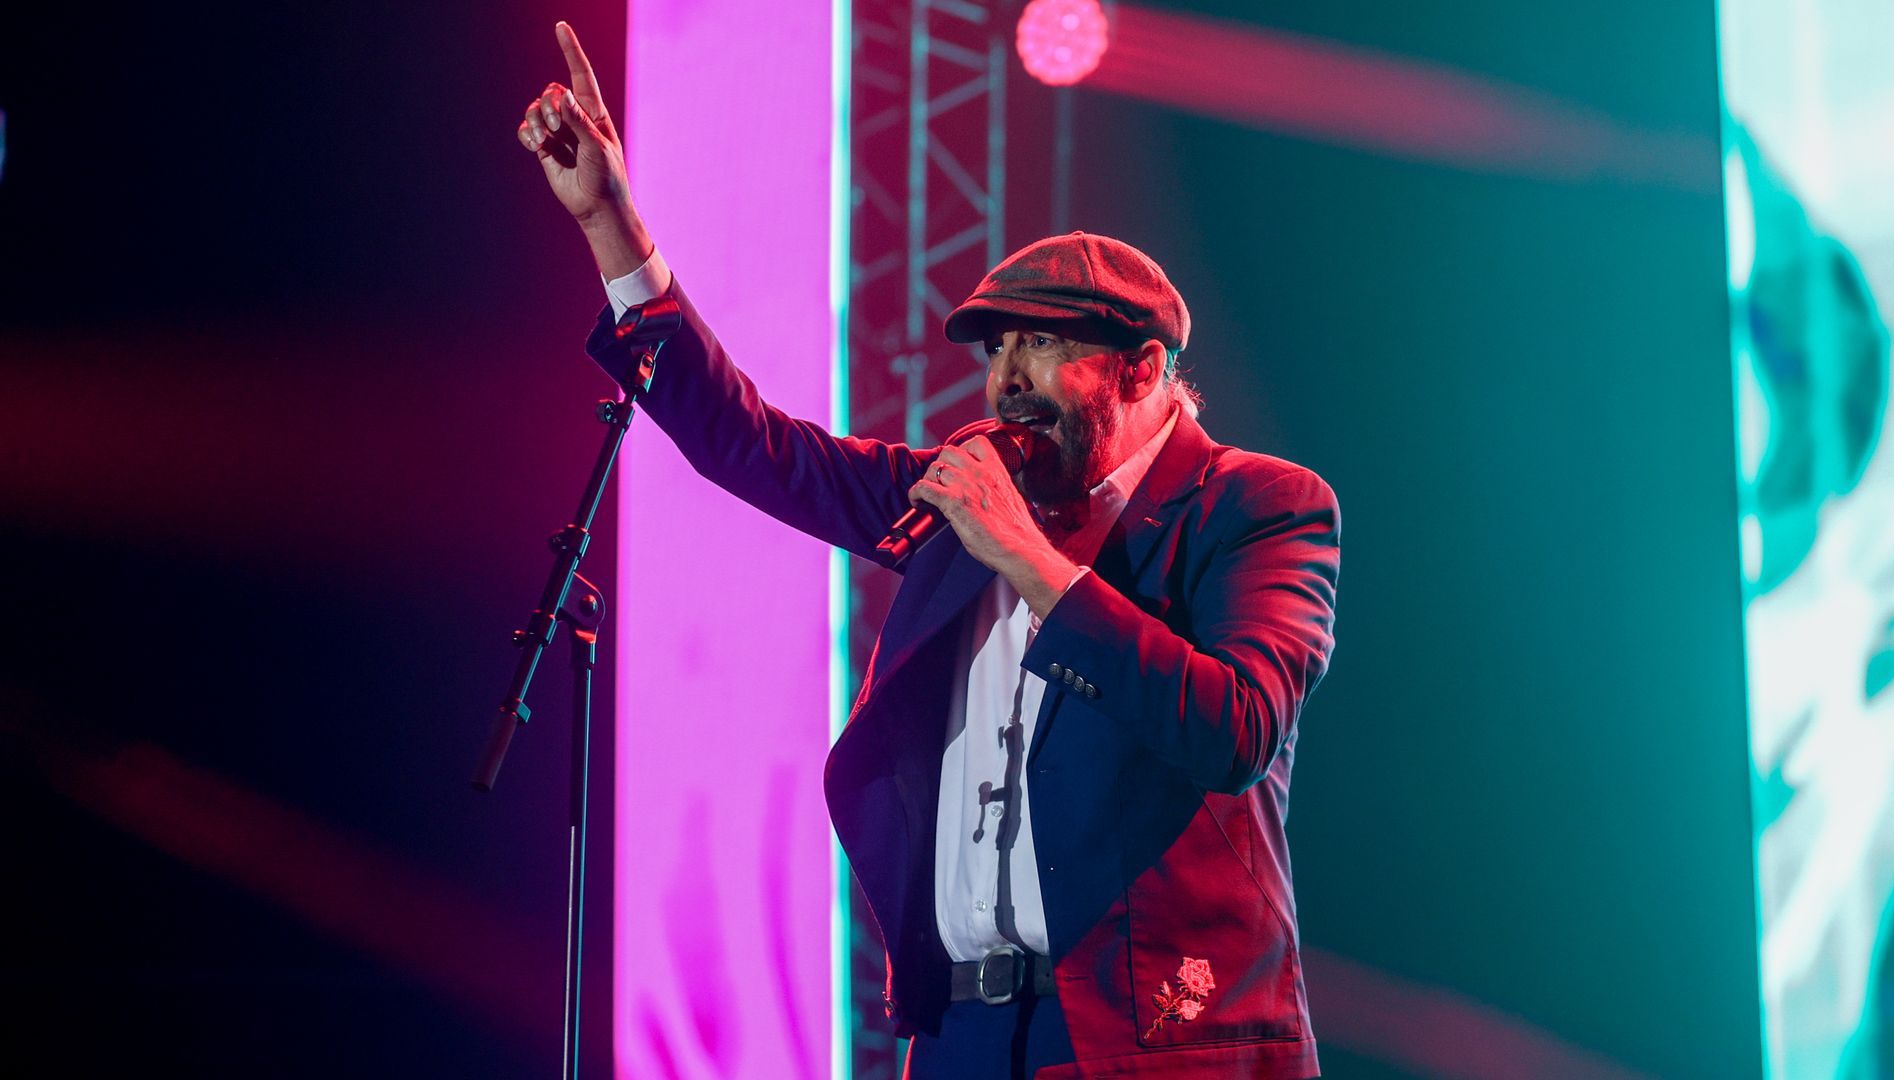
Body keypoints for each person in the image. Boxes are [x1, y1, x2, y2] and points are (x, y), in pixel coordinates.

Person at [518, 23, 1339, 1079]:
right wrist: (612, 228)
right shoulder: (968, 496)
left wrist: (1031, 566)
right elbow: (761, 448)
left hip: (1154, 1041)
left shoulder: (1253, 506)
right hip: (961, 1036)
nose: (1003, 381)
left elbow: (1233, 726)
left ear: (1139, 371)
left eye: (1040, 345)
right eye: (996, 350)